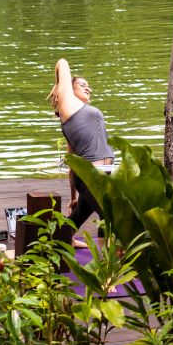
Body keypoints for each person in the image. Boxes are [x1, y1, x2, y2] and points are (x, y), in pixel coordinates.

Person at [47, 58, 114, 245]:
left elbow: (72, 160)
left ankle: (62, 240)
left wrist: (73, 197)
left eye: (89, 86)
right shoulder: (68, 106)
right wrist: (60, 86)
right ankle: (109, 265)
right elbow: (61, 62)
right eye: (82, 85)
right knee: (110, 216)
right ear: (68, 89)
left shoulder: (76, 113)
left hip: (100, 173)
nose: (88, 88)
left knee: (80, 214)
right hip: (92, 175)